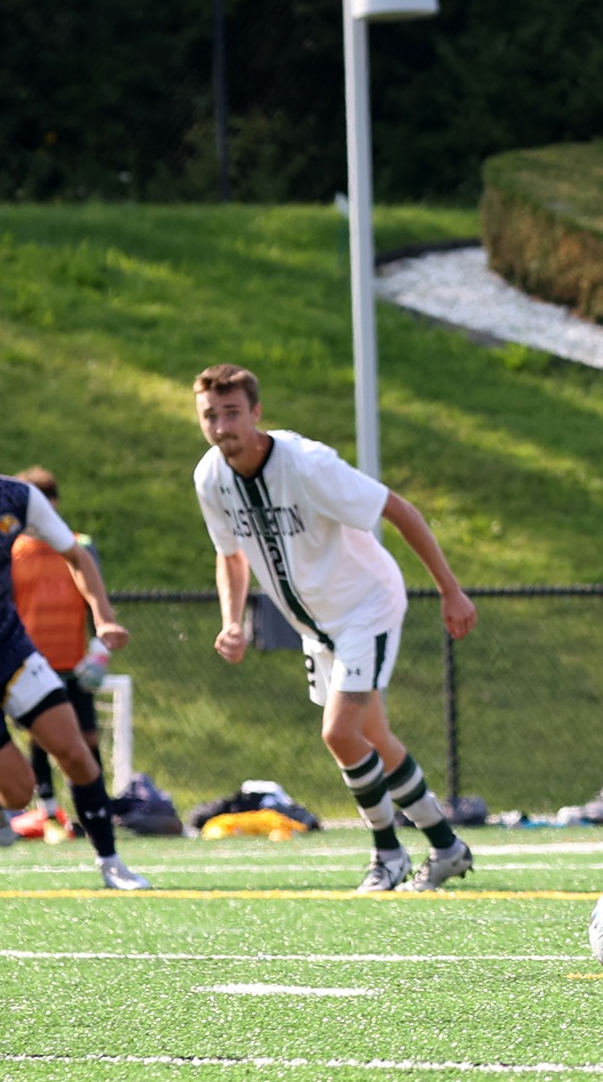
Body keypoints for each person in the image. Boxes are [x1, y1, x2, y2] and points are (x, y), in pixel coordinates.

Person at [192, 365, 477, 892]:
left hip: (366, 604)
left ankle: (387, 854)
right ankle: (447, 847)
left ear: (256, 413)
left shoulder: (307, 464)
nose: (222, 425)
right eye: (210, 415)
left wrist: (450, 589)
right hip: (317, 625)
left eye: (232, 413)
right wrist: (232, 621)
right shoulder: (210, 477)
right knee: (373, 736)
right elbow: (229, 554)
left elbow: (399, 509)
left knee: (339, 733)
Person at [0, 394, 147, 889]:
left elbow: (77, 555)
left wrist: (105, 617)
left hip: (9, 649)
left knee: (76, 752)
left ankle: (111, 865)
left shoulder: (16, 499)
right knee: (19, 788)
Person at [8, 467, 108, 838]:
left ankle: (93, 808)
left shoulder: (78, 545)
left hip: (74, 662)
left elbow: (95, 596)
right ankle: (48, 812)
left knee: (88, 739)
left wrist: (99, 645)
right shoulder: (11, 549)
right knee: (41, 737)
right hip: (31, 661)